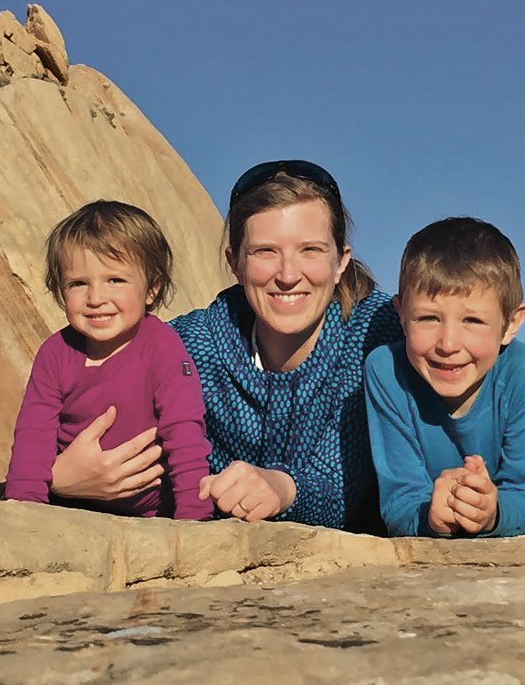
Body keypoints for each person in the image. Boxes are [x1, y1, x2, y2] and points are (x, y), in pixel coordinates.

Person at [47, 161, 401, 530]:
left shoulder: (375, 333)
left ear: (340, 261)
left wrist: (282, 489)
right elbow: (106, 442)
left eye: (310, 250)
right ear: (235, 263)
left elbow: (352, 480)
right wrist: (60, 480)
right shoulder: (189, 344)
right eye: (265, 251)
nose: (288, 275)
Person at [4, 200, 212, 520]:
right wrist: (24, 513)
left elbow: (184, 432)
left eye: (115, 280)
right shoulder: (55, 354)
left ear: (152, 288)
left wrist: (194, 516)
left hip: (154, 513)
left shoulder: (161, 346)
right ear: (61, 292)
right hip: (72, 505)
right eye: (78, 284)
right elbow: (33, 435)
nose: (96, 298)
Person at [365, 217, 525, 538]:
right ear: (401, 315)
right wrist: (429, 517)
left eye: (473, 321)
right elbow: (399, 499)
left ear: (511, 324)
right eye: (428, 318)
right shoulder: (385, 370)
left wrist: (492, 512)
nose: (448, 345)